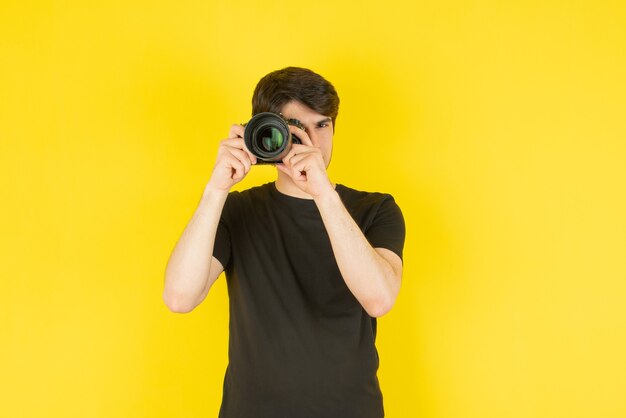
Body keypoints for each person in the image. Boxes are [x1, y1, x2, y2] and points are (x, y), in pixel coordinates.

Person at [163, 67, 406, 418]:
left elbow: (379, 298)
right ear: (267, 133)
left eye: (322, 125)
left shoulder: (376, 209)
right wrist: (216, 190)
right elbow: (179, 298)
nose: (312, 141)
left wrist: (322, 192)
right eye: (297, 129)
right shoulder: (237, 211)